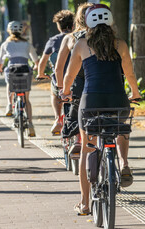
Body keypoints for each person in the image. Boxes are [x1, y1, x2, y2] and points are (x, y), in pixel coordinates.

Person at [61, 4, 141, 215]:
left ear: (86, 22)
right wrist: (135, 92)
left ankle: (85, 203)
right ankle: (123, 162)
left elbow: (69, 76)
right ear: (111, 21)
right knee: (119, 126)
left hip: (91, 103)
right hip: (118, 101)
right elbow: (130, 74)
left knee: (87, 148)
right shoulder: (120, 44)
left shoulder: (81, 44)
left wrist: (66, 91)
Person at [55, 2, 92, 154]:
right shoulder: (107, 37)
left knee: (74, 109)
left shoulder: (71, 38)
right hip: (103, 82)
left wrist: (61, 89)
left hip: (78, 82)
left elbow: (59, 67)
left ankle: (77, 139)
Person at [0, 21, 39, 137]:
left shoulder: (6, 44)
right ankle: (30, 124)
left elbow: (0, 61)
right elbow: (36, 61)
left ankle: (9, 104)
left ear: (9, 31)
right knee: (27, 99)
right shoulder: (27, 44)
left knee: (9, 83)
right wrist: (36, 67)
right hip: (25, 70)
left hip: (12, 70)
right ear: (22, 31)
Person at [36, 10, 74, 135]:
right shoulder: (78, 37)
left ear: (58, 26)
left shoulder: (53, 40)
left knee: (54, 94)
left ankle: (58, 118)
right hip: (77, 78)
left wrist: (40, 74)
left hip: (60, 79)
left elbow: (43, 61)